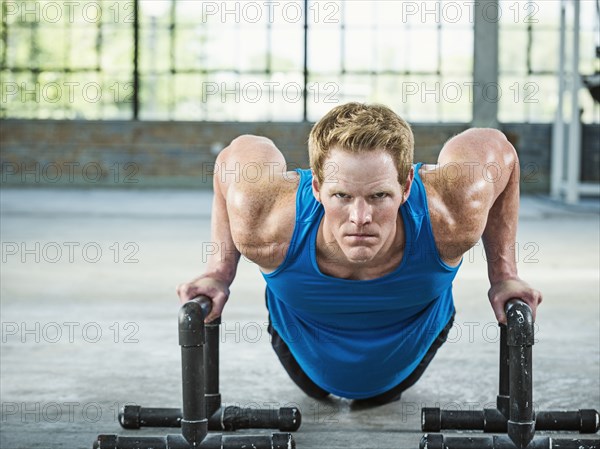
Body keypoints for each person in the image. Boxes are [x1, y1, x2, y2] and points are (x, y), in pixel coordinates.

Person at [177, 102, 542, 405]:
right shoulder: (267, 226)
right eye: (342, 196)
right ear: (317, 188)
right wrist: (219, 270)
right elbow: (234, 156)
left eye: (379, 196)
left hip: (408, 356)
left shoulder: (450, 216)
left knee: (380, 397)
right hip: (301, 354)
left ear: (406, 185)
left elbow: (498, 148)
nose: (360, 218)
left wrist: (504, 275)